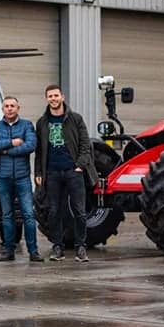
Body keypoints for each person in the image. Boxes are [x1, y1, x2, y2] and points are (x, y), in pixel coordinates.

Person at [35, 84, 99, 262]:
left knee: (79, 211)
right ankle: (58, 247)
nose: (53, 99)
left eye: (56, 95)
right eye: (50, 96)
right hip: (52, 173)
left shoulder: (75, 119)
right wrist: (39, 171)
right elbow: (39, 150)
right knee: (54, 211)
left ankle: (80, 247)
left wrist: (79, 165)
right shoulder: (42, 122)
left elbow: (86, 145)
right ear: (46, 99)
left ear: (62, 97)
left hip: (73, 172)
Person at [0, 96, 43, 262]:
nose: (9, 108)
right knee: (7, 215)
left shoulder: (26, 125)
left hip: (23, 177)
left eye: (12, 106)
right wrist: (12, 142)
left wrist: (5, 151)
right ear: (2, 109)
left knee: (28, 215)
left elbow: (30, 146)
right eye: (6, 106)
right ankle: (8, 251)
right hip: (3, 177)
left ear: (18, 108)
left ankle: (33, 251)